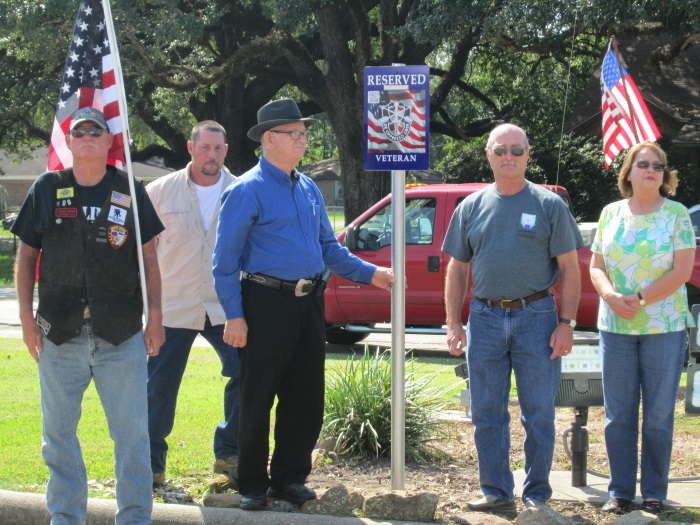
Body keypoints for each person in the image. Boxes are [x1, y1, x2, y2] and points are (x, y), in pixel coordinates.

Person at [212, 98, 395, 511]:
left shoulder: (309, 187)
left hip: (310, 304)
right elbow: (224, 264)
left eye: (304, 133)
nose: (303, 140)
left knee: (305, 398)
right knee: (257, 398)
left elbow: (330, 248)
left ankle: (289, 479)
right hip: (263, 304)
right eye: (295, 134)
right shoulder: (245, 190)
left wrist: (372, 274)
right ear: (270, 139)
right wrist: (235, 316)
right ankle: (253, 485)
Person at [12, 107, 165, 524]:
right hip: (59, 335)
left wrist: (155, 319)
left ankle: (134, 518)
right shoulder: (47, 187)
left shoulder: (128, 189)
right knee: (57, 437)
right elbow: (27, 255)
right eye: (78, 131)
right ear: (69, 140)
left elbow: (149, 258)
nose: (86, 136)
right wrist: (26, 320)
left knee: (132, 437)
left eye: (95, 130)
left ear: (108, 139)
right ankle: (66, 517)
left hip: (121, 335)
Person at [442, 123, 583, 512]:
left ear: (528, 153)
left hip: (537, 317)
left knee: (538, 414)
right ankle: (496, 493)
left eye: (516, 150)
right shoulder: (470, 206)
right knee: (487, 413)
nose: (509, 157)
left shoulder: (549, 205)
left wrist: (566, 323)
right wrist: (455, 323)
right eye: (501, 149)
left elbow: (571, 269)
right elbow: (456, 268)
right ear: (488, 154)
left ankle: (537, 495)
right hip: (484, 318)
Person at [590, 142, 695, 515]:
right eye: (643, 164)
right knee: (619, 415)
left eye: (658, 165)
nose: (651, 169)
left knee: (658, 415)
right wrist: (610, 295)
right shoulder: (610, 213)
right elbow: (596, 266)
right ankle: (619, 491)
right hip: (614, 325)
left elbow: (682, 271)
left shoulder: (677, 214)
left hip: (663, 327)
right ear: (629, 172)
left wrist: (639, 298)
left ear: (664, 175)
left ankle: (653, 491)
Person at [145, 120, 240, 487]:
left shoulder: (241, 191)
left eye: (218, 149)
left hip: (225, 308)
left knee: (244, 374)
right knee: (158, 387)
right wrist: (147, 311)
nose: (211, 156)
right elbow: (143, 254)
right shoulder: (158, 192)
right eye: (205, 148)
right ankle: (151, 467)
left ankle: (229, 456)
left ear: (226, 151)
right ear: (190, 147)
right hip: (172, 307)